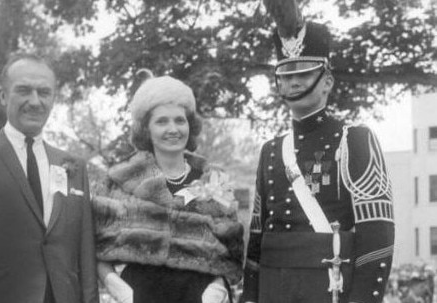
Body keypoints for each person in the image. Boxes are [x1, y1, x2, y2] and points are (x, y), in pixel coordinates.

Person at [241, 5, 395, 303]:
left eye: (305, 73)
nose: (294, 82)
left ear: (327, 81)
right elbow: (257, 240)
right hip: (273, 290)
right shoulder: (270, 150)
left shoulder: (355, 140)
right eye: (286, 75)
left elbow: (377, 234)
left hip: (328, 290)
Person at [0, 52, 99, 303]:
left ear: (54, 99)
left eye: (44, 92)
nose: (35, 101)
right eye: (23, 90)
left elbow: (85, 260)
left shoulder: (73, 166)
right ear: (3, 96)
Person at [92, 73, 245, 303]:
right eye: (162, 121)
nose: (173, 129)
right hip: (139, 296)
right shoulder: (117, 181)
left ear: (190, 125)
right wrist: (121, 291)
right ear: (146, 129)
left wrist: (217, 289)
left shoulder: (214, 179)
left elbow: (232, 253)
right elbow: (95, 251)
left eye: (179, 120)